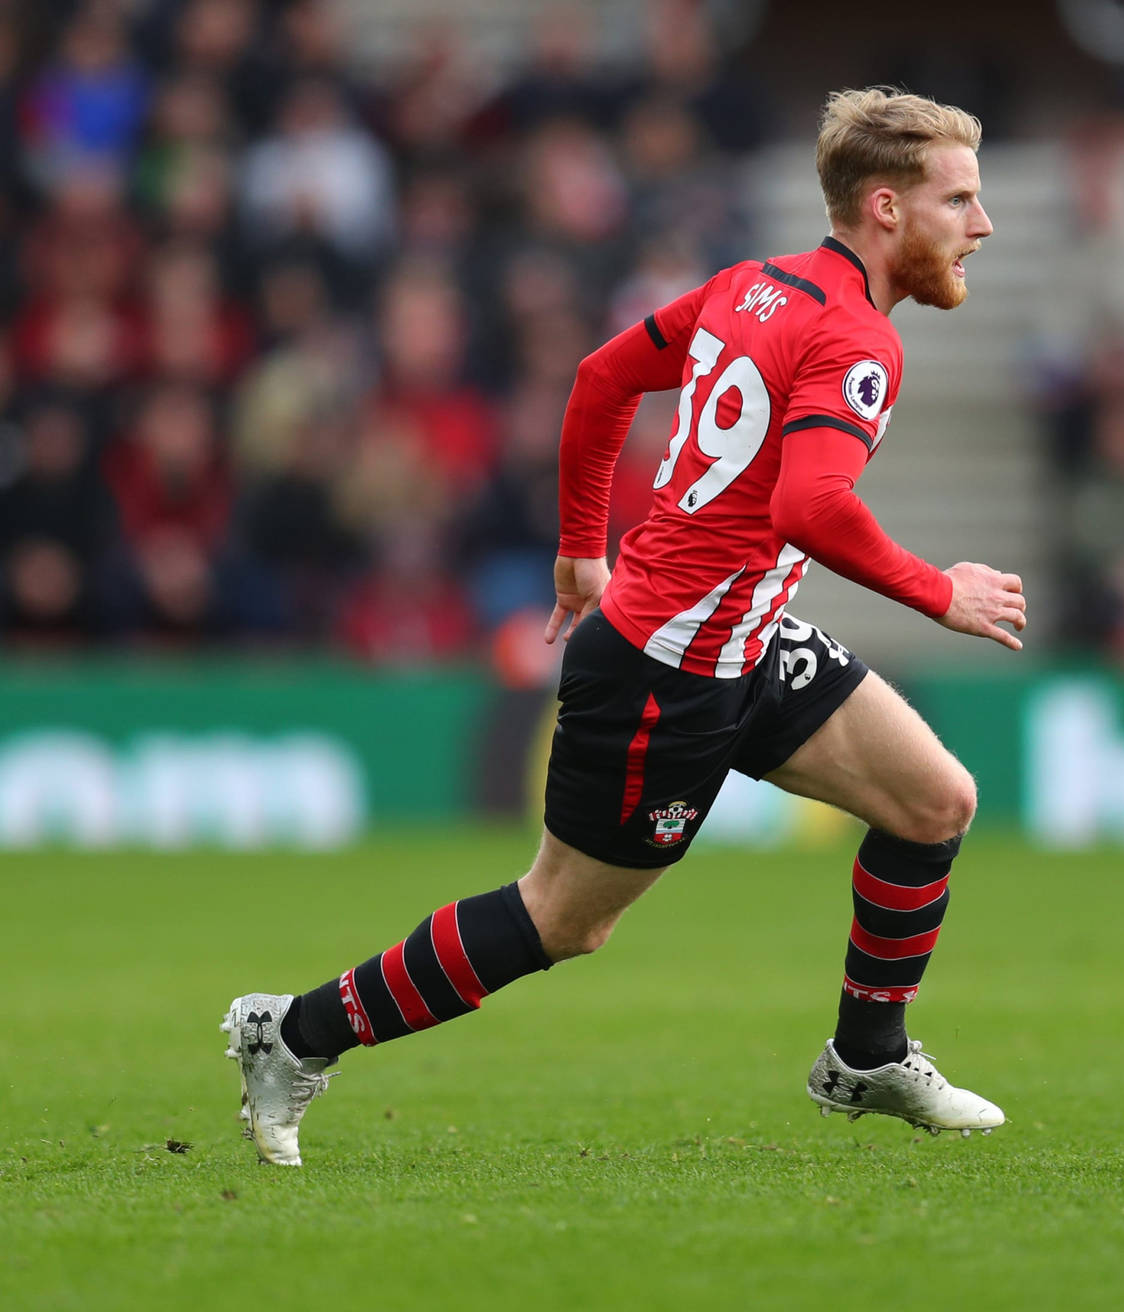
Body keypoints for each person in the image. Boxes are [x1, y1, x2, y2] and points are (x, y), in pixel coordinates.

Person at [222, 88, 1021, 1165]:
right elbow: (809, 506)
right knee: (564, 917)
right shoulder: (858, 341)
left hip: (742, 637)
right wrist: (942, 591)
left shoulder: (753, 288)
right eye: (959, 199)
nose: (980, 224)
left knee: (935, 800)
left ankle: (866, 1054)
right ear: (885, 208)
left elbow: (604, 376)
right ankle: (291, 1033)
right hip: (665, 669)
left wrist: (579, 547)